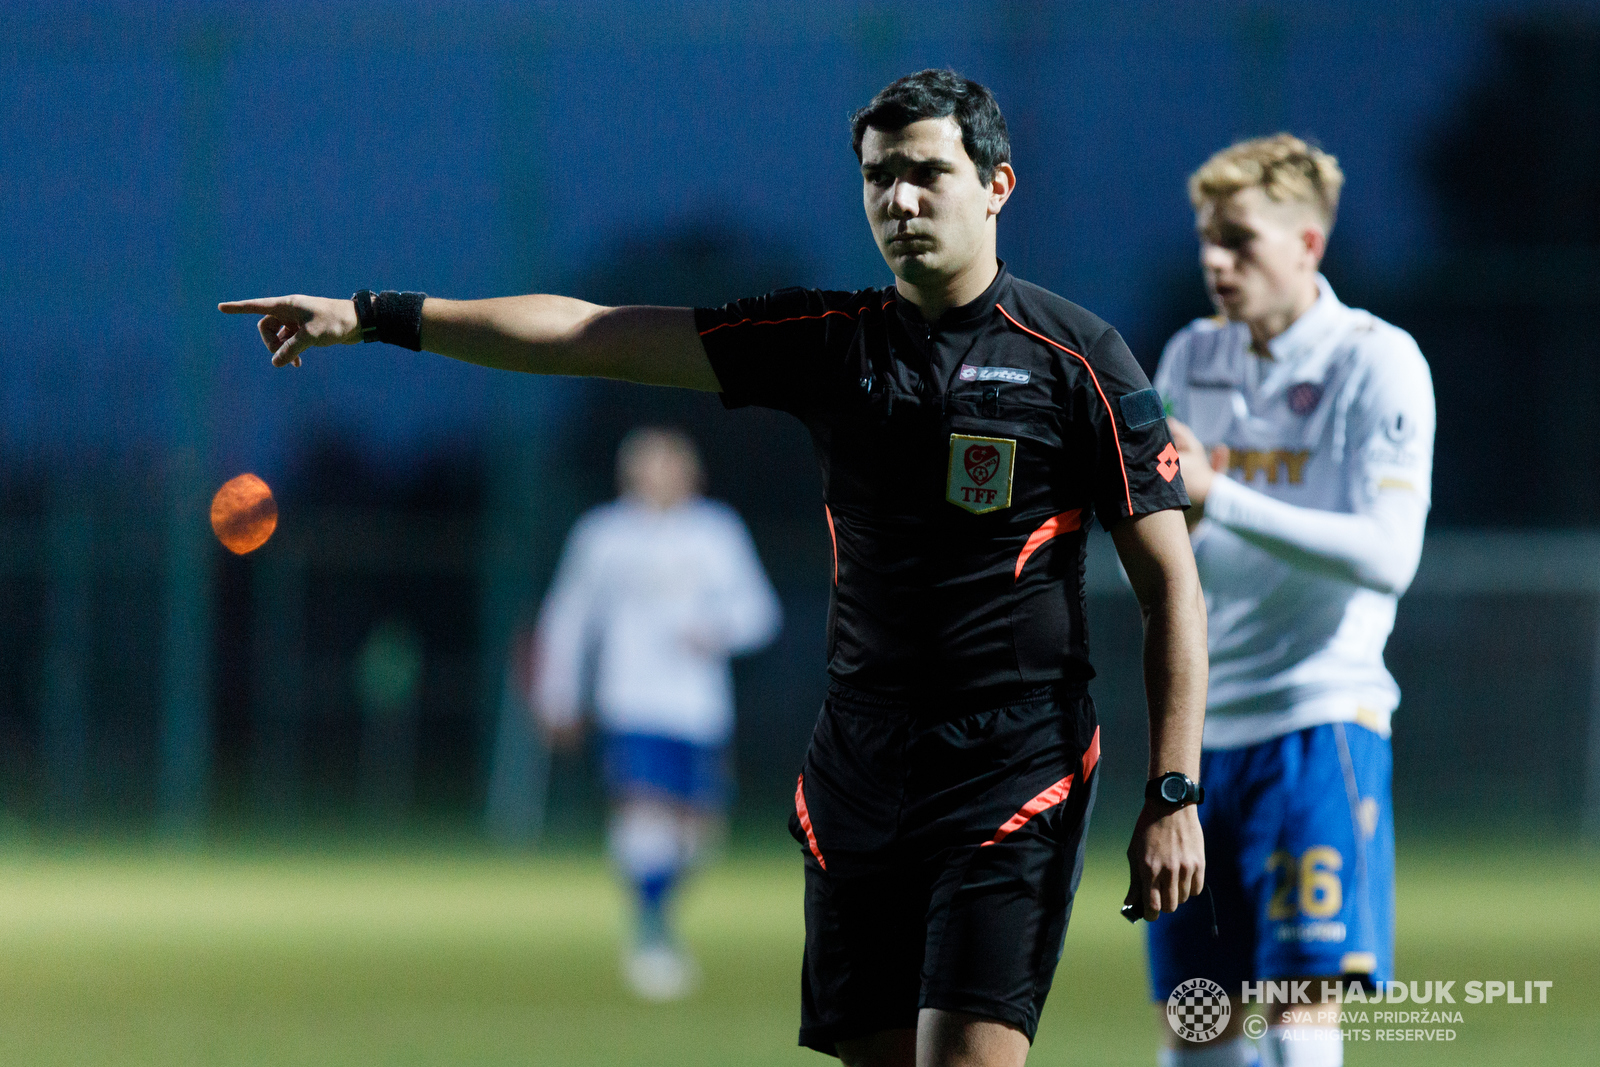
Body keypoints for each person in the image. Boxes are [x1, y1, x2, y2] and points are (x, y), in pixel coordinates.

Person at [221, 68, 1209, 1067]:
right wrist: (376, 313)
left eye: (925, 173)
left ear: (996, 184)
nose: (898, 200)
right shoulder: (829, 343)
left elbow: (1173, 587)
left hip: (1012, 765)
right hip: (858, 761)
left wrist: (1172, 791)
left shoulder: (1078, 358)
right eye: (877, 178)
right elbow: (587, 335)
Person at [1147, 135, 1435, 1067]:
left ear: (1309, 244)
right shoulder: (1193, 354)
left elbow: (1389, 557)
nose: (1215, 262)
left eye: (1240, 241)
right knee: (1196, 1025)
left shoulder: (1377, 362)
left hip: (1318, 724)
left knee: (1298, 1018)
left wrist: (1220, 496)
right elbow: (1169, 545)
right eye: (1206, 240)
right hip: (1199, 735)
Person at [532, 426, 781, 1001]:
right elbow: (568, 617)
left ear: (689, 472)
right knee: (643, 815)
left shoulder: (717, 532)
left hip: (698, 708)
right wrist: (558, 694)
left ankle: (657, 916)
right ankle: (650, 935)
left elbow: (759, 612)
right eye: (644, 467)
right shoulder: (603, 535)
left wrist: (715, 632)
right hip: (630, 702)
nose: (655, 477)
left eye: (666, 466)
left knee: (698, 835)